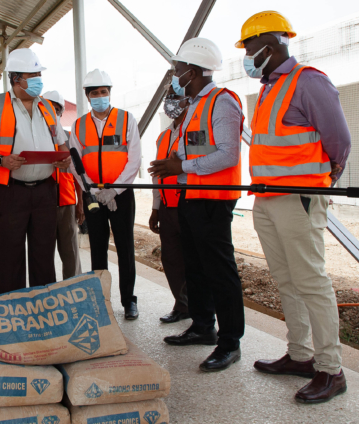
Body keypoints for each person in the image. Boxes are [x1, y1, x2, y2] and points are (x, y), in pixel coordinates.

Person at [237, 10, 351, 403]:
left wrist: (323, 181)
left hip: (298, 199)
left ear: (270, 45)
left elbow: (339, 140)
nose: (246, 57)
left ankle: (331, 369)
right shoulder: (270, 87)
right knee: (287, 280)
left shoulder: (309, 81)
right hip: (268, 199)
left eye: (249, 48)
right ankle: (301, 355)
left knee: (311, 282)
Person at [149, 38, 245, 372]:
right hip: (191, 195)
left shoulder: (222, 102)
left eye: (178, 69)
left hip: (215, 199)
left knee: (219, 270)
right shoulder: (194, 106)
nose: (175, 75)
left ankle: (230, 343)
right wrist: (171, 164)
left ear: (191, 71)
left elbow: (228, 154)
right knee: (196, 266)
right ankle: (203, 326)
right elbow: (192, 149)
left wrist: (181, 167)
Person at [0, 48, 71, 294]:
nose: (38, 80)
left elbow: (62, 144)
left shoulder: (47, 107)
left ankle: (43, 307)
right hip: (11, 192)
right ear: (16, 78)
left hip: (45, 191)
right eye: (32, 75)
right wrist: (1, 160)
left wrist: (64, 158)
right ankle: (11, 308)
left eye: (39, 75)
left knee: (43, 255)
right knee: (9, 257)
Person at [69, 69, 142, 320]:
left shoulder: (126, 119)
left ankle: (129, 301)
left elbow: (134, 159)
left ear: (109, 92)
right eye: (95, 93)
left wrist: (115, 190)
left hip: (121, 195)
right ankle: (100, 301)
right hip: (92, 194)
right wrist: (92, 189)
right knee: (98, 248)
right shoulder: (79, 125)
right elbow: (75, 161)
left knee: (125, 247)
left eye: (104, 92)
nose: (100, 96)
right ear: (88, 96)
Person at [150, 90, 191, 324]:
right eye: (169, 97)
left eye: (177, 96)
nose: (171, 102)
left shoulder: (192, 131)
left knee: (192, 260)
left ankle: (199, 308)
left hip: (189, 203)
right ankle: (182, 305)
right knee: (171, 259)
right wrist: (156, 207)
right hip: (167, 206)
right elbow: (157, 174)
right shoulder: (163, 136)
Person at [43, 90, 84, 279]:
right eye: (49, 108)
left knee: (70, 253)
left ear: (60, 113)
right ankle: (48, 290)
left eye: (56, 109)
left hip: (66, 203)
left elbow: (78, 174)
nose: (53, 113)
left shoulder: (69, 138)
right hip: (42, 203)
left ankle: (74, 287)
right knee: (43, 254)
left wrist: (80, 203)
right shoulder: (35, 139)